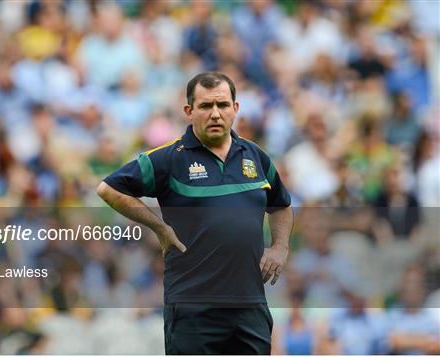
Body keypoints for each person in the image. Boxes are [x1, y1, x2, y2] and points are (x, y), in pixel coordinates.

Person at [97, 72, 293, 354]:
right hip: (193, 307)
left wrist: (280, 247)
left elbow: (282, 205)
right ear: (189, 111)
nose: (215, 114)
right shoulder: (170, 157)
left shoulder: (256, 157)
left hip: (249, 305)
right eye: (205, 106)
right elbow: (108, 189)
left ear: (235, 109)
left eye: (223, 105)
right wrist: (159, 228)